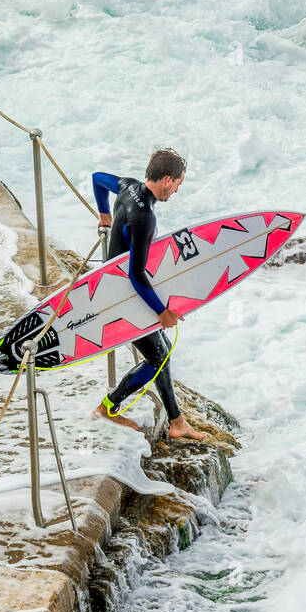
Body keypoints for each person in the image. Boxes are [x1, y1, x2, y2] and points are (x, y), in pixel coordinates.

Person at [90, 148, 206, 441]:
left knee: (161, 352)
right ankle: (108, 407)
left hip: (111, 282)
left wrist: (105, 214)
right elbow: (137, 274)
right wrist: (161, 312)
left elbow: (97, 179)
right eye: (178, 183)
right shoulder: (145, 218)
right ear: (167, 179)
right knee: (159, 357)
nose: (177, 189)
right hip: (125, 295)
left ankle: (177, 422)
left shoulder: (128, 186)